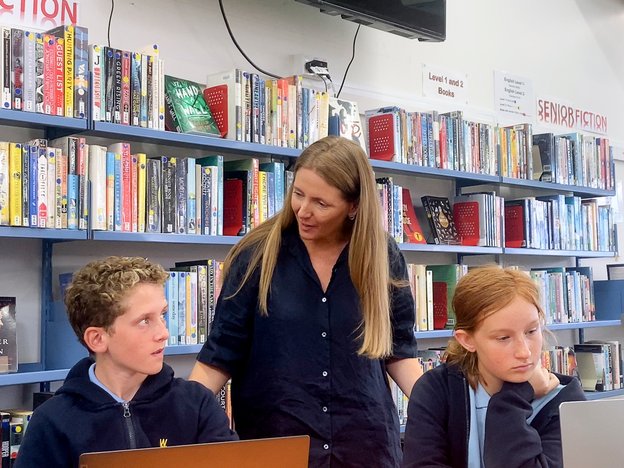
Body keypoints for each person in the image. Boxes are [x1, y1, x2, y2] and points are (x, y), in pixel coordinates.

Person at [190, 136, 422, 467]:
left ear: (354, 206)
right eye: (298, 194)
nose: (304, 211)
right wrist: (177, 414)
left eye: (322, 203)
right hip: (277, 446)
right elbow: (219, 356)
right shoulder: (255, 255)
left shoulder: (382, 255)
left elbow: (399, 351)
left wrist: (440, 409)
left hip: (366, 447)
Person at [16, 256, 237, 468]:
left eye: (163, 315)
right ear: (98, 339)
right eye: (144, 321)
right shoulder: (52, 421)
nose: (163, 333)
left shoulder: (197, 404)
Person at [402, 265, 586, 468]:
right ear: (467, 340)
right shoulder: (436, 389)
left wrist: (512, 400)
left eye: (532, 331)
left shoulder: (566, 400)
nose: (524, 352)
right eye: (503, 338)